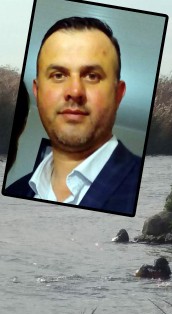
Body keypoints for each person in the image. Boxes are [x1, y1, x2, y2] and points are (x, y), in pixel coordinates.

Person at [3, 16, 140, 215]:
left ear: (118, 94)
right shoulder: (15, 190)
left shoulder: (139, 190)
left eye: (92, 76)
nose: (75, 91)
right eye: (58, 75)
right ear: (37, 91)